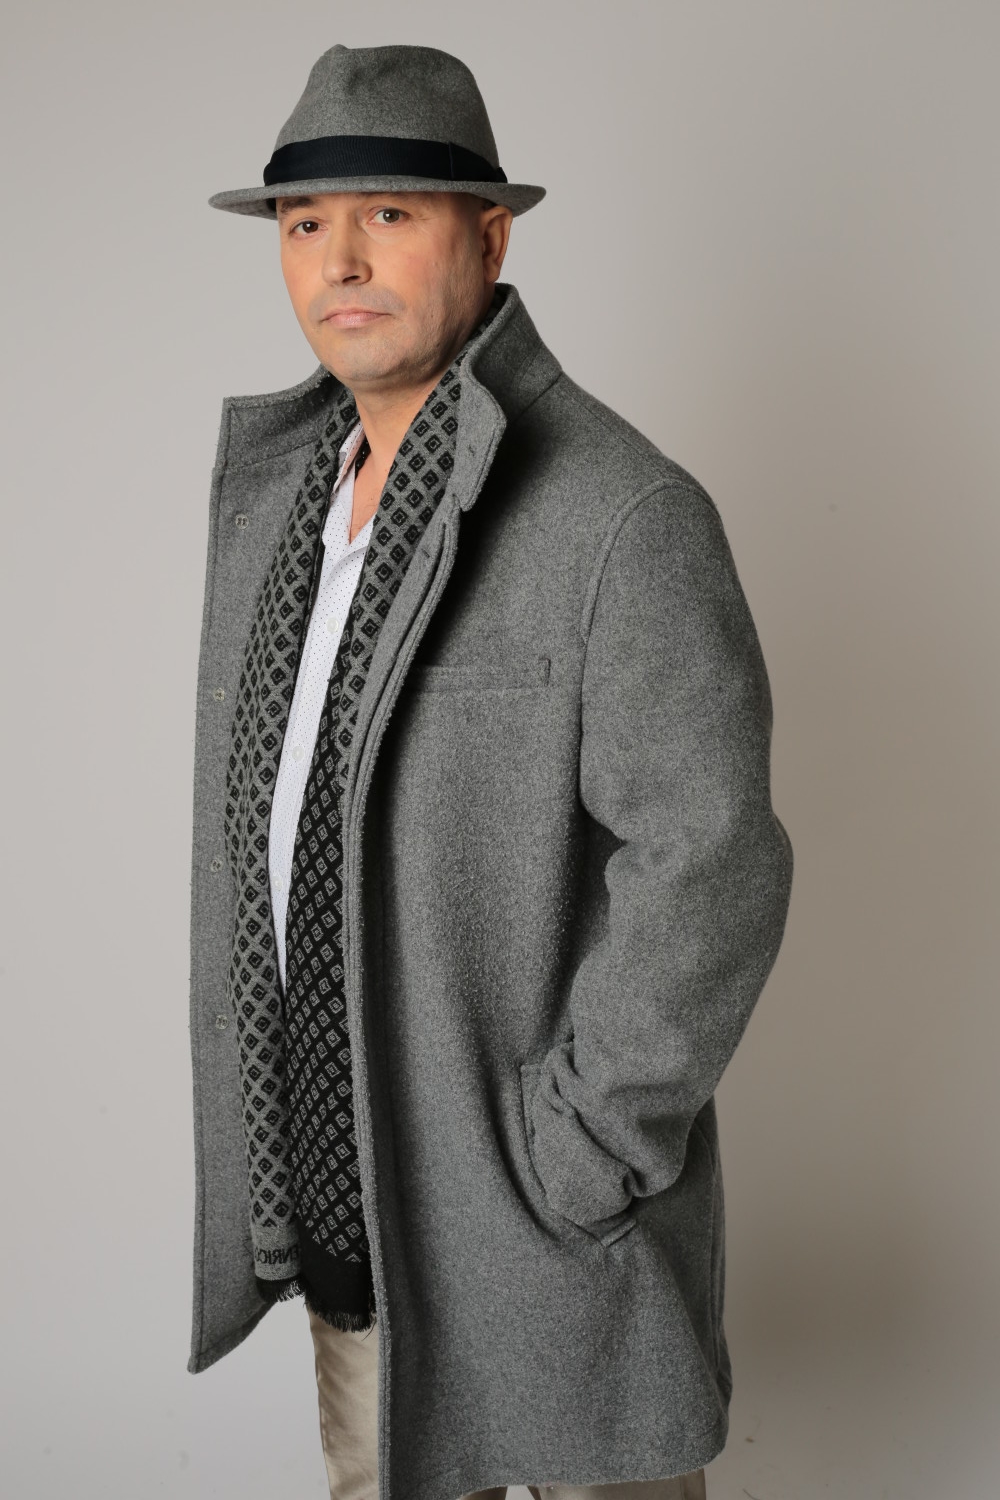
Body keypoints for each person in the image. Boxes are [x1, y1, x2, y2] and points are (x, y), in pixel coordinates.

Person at [187, 40, 794, 1500]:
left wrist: (580, 1153)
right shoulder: (286, 512)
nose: (340, 259)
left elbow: (712, 862)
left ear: (490, 236)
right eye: (305, 222)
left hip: (550, 1236)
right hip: (351, 1216)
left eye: (389, 214)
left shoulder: (619, 512)